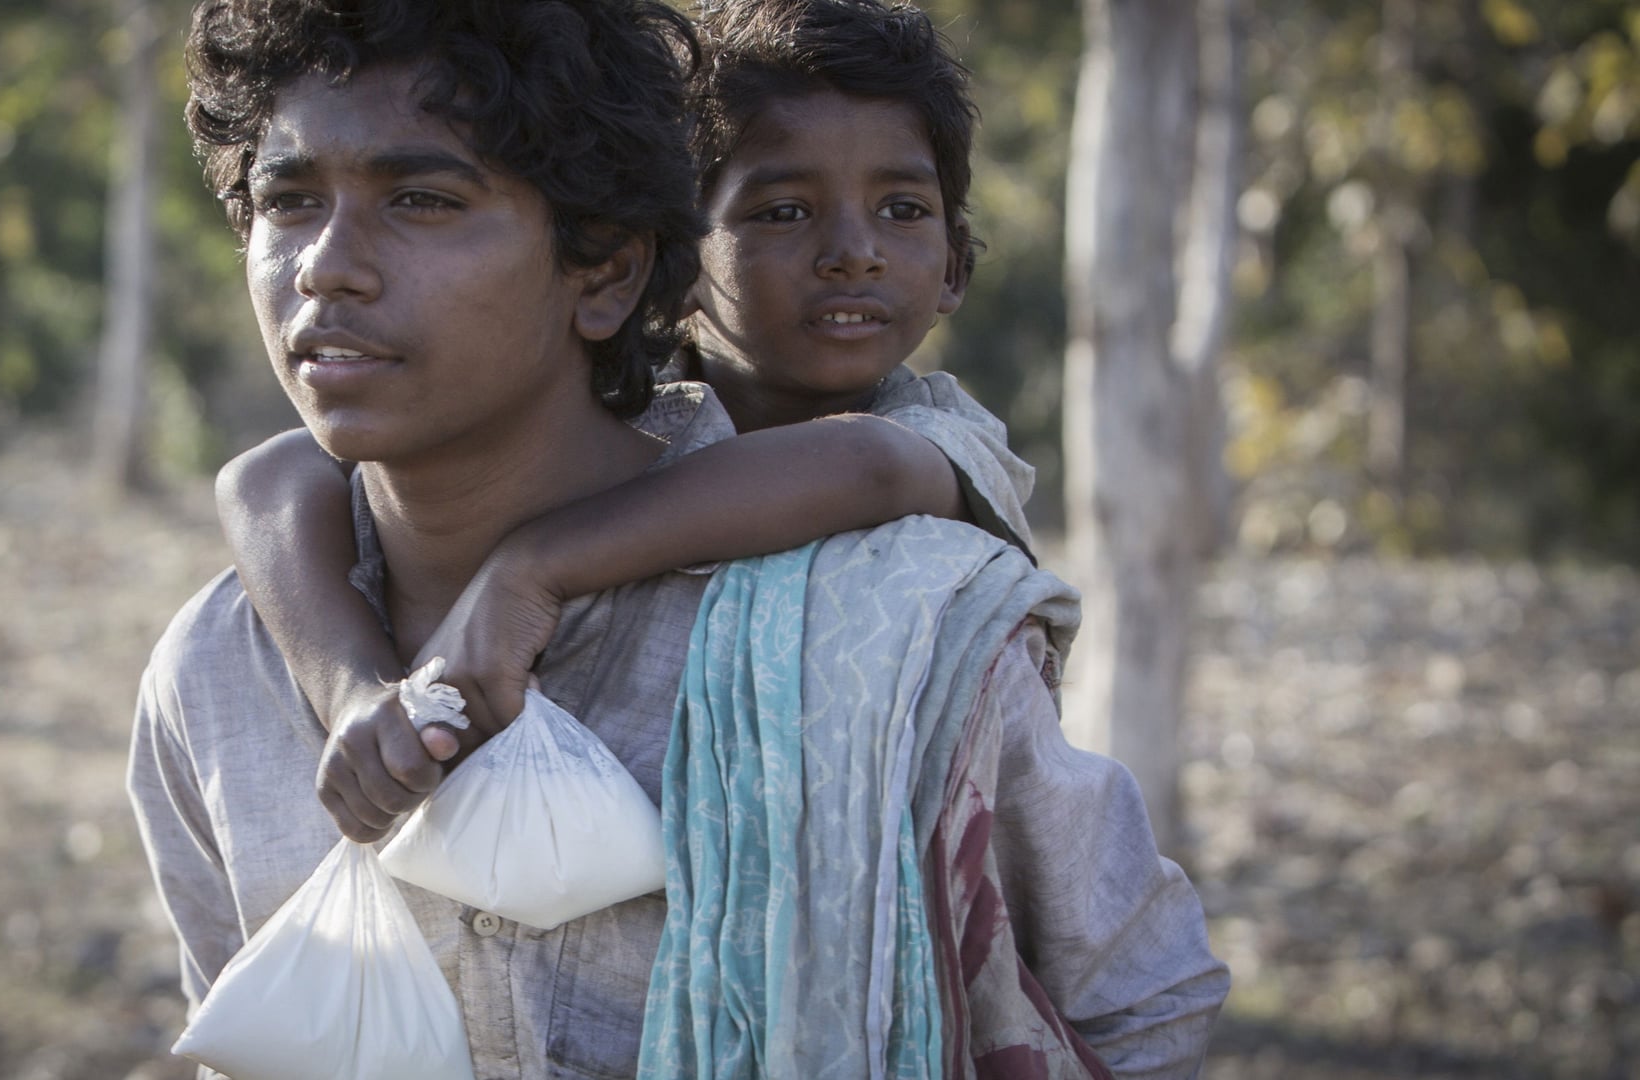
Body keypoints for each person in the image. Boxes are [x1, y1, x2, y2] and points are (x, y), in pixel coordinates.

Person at [129, 0, 1227, 1076]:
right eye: (289, 202)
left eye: (420, 198)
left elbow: (1141, 1010)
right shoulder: (224, 672)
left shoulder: (882, 640)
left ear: (605, 269)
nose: (327, 265)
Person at [216, 0, 1044, 850]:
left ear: (955, 265)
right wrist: (350, 685)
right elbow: (261, 479)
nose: (853, 252)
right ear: (682, 261)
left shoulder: (925, 447)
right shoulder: (618, 399)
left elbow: (868, 464)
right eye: (782, 212)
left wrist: (530, 569)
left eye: (903, 210)